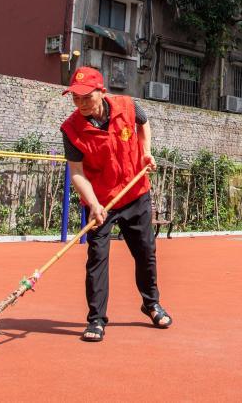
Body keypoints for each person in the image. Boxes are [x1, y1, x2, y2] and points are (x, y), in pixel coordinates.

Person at [60, 66, 172, 342]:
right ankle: (96, 319)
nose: (81, 103)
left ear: (102, 92)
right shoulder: (72, 129)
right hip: (101, 201)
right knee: (97, 258)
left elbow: (143, 123)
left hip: (135, 193)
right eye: (76, 97)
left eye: (87, 96)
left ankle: (151, 303)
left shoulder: (128, 106)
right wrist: (94, 204)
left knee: (146, 251)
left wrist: (146, 153)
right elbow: (77, 172)